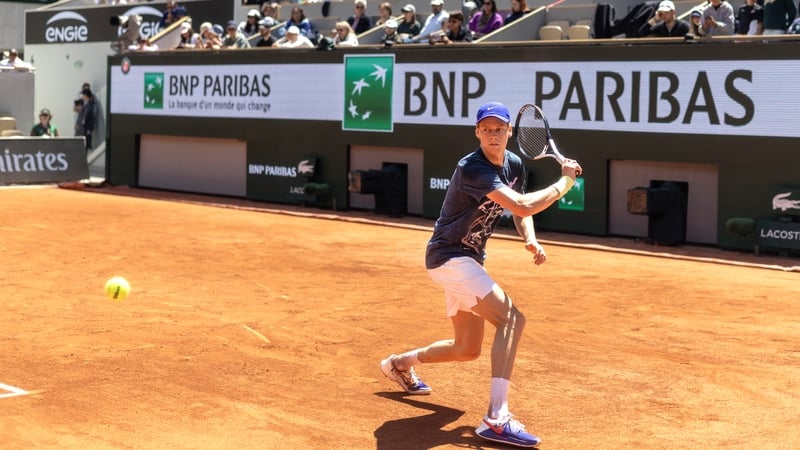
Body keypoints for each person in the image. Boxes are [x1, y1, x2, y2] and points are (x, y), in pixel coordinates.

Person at [380, 101, 582, 449]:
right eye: (486, 129)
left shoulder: (514, 163)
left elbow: (520, 211)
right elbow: (524, 205)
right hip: (449, 257)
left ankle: (398, 364)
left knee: (466, 349)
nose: (492, 134)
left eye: (499, 128)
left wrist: (530, 239)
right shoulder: (473, 168)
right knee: (512, 320)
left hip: (469, 260)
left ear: (509, 132)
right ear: (477, 133)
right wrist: (565, 182)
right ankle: (496, 418)